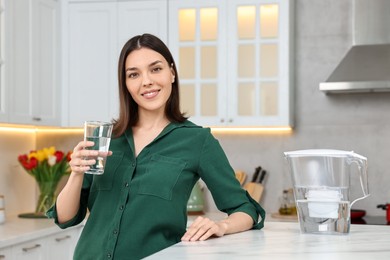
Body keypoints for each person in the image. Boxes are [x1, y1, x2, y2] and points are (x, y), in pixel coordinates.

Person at [47, 33, 265, 259]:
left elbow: (245, 209)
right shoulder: (106, 138)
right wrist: (75, 174)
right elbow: (65, 218)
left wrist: (222, 226)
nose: (146, 81)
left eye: (156, 69)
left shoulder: (197, 141)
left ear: (172, 73)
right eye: (134, 74)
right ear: (126, 84)